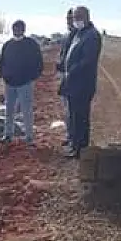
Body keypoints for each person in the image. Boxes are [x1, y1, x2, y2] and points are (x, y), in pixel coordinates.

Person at [60, 5, 102, 158]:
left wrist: (72, 70)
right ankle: (74, 145)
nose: (75, 20)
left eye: (78, 17)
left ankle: (80, 149)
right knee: (74, 116)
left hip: (82, 84)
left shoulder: (92, 36)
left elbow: (88, 60)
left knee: (81, 117)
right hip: (73, 83)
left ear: (86, 17)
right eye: (74, 18)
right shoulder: (80, 33)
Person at [0, 20, 44, 145]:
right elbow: (2, 61)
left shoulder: (31, 44)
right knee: (9, 110)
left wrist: (33, 76)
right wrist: (3, 75)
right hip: (10, 83)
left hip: (25, 83)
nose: (16, 31)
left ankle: (29, 136)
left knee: (26, 110)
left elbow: (39, 62)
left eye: (19, 29)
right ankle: (7, 134)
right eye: (14, 29)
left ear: (23, 30)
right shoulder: (8, 45)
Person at [55, 8, 77, 147]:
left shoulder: (78, 36)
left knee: (72, 110)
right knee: (67, 109)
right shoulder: (67, 35)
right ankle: (70, 136)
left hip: (73, 77)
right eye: (67, 19)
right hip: (65, 75)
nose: (69, 21)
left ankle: (73, 139)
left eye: (71, 19)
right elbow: (64, 55)